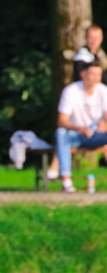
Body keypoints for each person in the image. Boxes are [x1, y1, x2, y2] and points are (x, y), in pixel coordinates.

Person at [53, 62, 107, 192]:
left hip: (98, 135)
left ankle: (54, 170)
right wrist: (79, 129)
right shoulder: (70, 91)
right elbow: (61, 121)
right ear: (83, 74)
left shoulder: (103, 91)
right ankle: (67, 181)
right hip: (77, 136)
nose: (96, 78)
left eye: (99, 74)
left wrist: (104, 124)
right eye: (92, 74)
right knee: (61, 133)